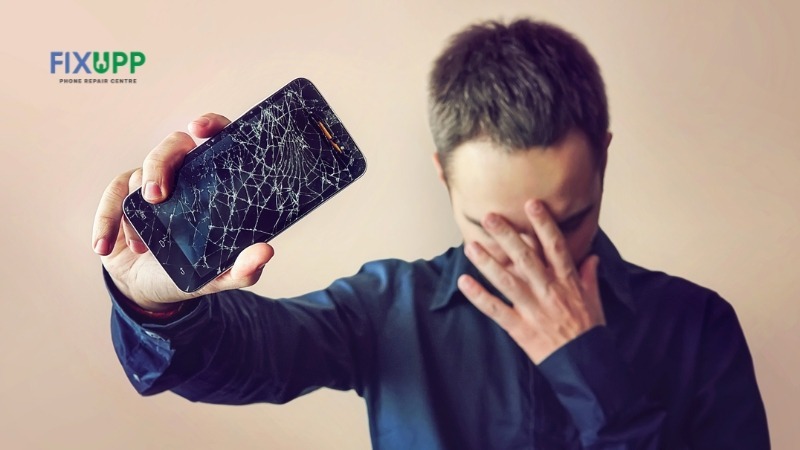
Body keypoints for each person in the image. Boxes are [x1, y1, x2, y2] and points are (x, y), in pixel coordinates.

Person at [92, 18, 770, 449]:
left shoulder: (699, 327)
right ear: (444, 177)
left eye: (564, 222)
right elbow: (237, 358)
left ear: (605, 160)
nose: (535, 258)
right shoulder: (389, 308)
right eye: (495, 228)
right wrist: (154, 299)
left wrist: (588, 370)